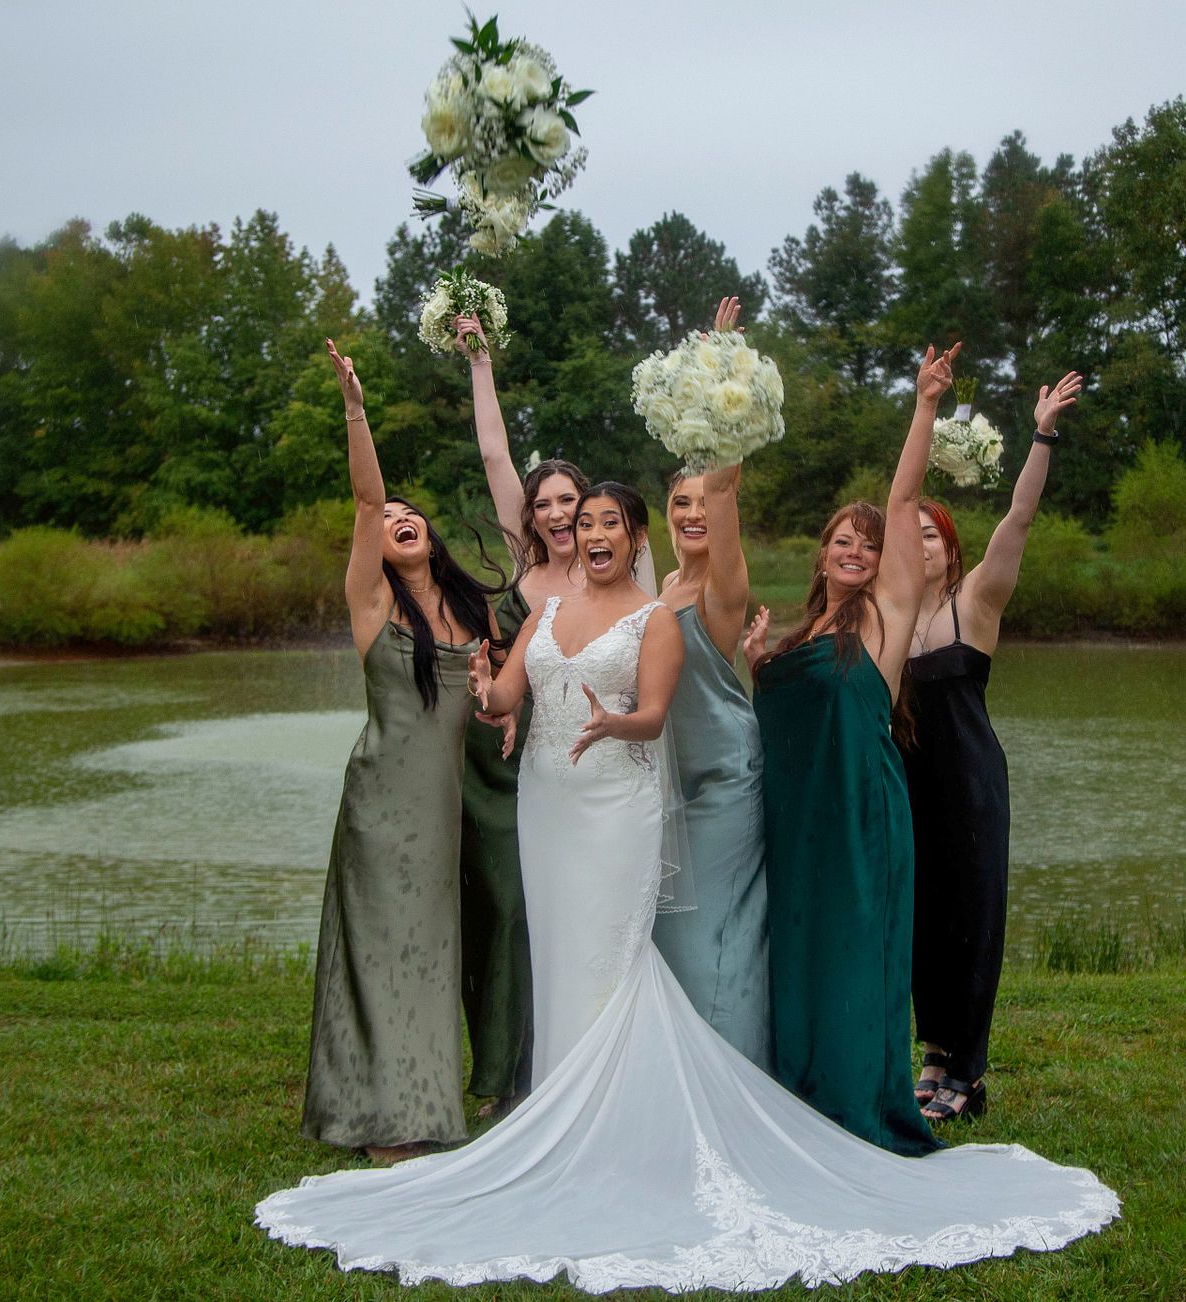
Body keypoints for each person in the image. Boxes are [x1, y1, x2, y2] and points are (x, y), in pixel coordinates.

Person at [257, 473, 1116, 1289]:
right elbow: (505, 698)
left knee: (617, 962)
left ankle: (629, 1130)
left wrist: (613, 718)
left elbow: (656, 716)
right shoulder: (548, 609)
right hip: (550, 811)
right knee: (562, 961)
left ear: (629, 539)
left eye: (606, 523)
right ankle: (565, 1120)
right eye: (583, 522)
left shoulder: (663, 615)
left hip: (628, 806)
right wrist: (489, 693)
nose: (592, 532)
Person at [745, 345, 961, 1156]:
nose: (855, 550)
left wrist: (925, 407)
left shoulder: (885, 618)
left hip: (862, 813)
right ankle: (801, 1096)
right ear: (821, 551)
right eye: (842, 539)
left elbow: (904, 500)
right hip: (802, 827)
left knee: (854, 957)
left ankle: (858, 1105)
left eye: (867, 546)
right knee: (801, 953)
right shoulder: (803, 632)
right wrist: (758, 662)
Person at [301, 339, 511, 1164]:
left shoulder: (474, 612)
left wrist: (508, 701)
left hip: (444, 812)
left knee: (431, 955)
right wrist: (356, 409)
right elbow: (364, 498)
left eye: (408, 513)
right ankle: (387, 1119)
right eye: (389, 521)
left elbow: (490, 705)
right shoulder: (371, 606)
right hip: (381, 808)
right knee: (384, 953)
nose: (398, 518)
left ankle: (423, 1106)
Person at [907, 372, 1083, 1122]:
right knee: (923, 917)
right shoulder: (888, 622)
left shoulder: (973, 603)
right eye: (905, 535)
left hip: (972, 782)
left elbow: (1017, 518)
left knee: (973, 918)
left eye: (930, 536)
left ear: (949, 551)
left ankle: (968, 1075)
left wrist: (1041, 432)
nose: (918, 547)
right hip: (911, 785)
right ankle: (934, 1053)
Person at [450, 313, 590, 1112]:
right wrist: (481, 362)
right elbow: (497, 452)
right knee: (509, 908)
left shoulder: (613, 569)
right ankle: (504, 1072)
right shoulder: (525, 566)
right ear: (531, 516)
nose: (557, 513)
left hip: (584, 756)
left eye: (569, 500)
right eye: (545, 503)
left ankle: (564, 1067)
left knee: (569, 907)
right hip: (504, 756)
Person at [652, 298, 771, 1069]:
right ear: (663, 515)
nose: (694, 512)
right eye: (679, 502)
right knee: (668, 940)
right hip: (667, 790)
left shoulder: (723, 593)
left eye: (702, 502)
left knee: (713, 942)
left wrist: (722, 363)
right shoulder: (659, 583)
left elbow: (726, 491)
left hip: (726, 781)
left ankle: (737, 1090)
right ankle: (682, 1093)